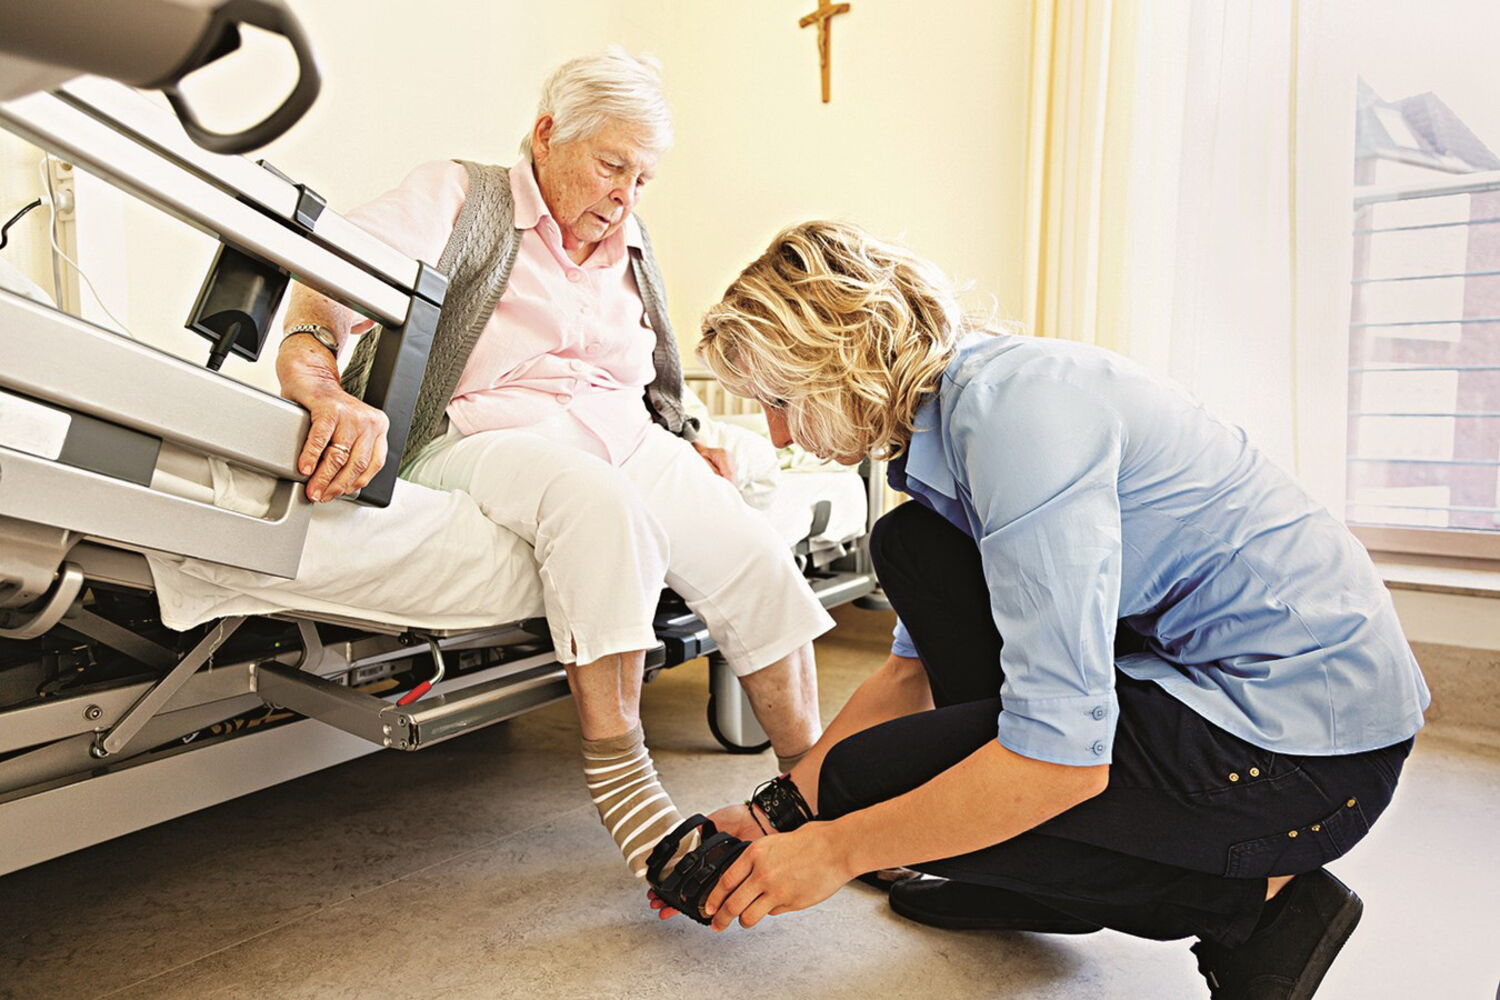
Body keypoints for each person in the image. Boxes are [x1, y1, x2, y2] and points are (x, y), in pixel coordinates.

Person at [672, 220, 1428, 1000]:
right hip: (1224, 687)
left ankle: (1265, 909)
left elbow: (1060, 759)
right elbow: (907, 678)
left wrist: (836, 848)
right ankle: (1029, 885)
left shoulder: (1016, 422)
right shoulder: (964, 414)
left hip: (1305, 755)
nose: (778, 433)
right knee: (911, 546)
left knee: (867, 786)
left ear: (844, 357)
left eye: (782, 400)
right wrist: (775, 811)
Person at [273, 49, 832, 883]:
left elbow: (647, 368)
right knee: (597, 505)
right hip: (482, 432)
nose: (626, 195)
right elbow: (326, 275)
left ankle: (815, 793)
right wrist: (323, 389)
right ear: (546, 135)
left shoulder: (629, 239)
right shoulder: (462, 196)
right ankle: (631, 798)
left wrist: (684, 432)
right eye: (612, 166)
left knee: (750, 552)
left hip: (624, 433)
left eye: (643, 179)